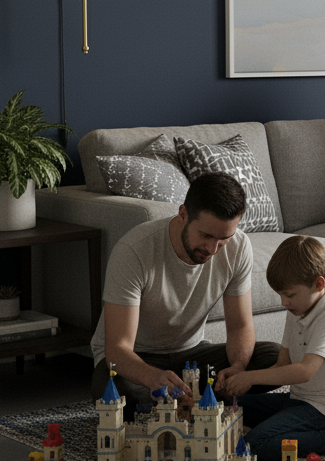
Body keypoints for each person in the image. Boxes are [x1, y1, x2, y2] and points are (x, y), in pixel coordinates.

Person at [89, 171, 281, 417]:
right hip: (138, 358)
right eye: (205, 236)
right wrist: (152, 377)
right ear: (183, 215)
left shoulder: (239, 247)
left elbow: (240, 326)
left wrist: (238, 368)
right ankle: (198, 403)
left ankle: (185, 402)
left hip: (192, 354)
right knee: (113, 391)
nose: (212, 249)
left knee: (275, 359)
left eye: (223, 239)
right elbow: (117, 349)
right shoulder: (134, 251)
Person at [221, 235, 325, 460]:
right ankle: (291, 427)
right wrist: (241, 379)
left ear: (318, 284)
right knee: (227, 408)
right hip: (299, 400)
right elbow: (283, 364)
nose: (283, 302)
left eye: (290, 295)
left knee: (254, 445)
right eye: (280, 295)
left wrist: (251, 378)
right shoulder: (296, 310)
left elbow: (304, 372)